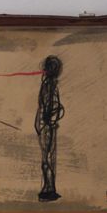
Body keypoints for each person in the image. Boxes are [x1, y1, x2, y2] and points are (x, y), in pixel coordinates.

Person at [34, 55, 65, 202]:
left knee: (48, 159)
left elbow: (50, 107)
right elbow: (44, 108)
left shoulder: (50, 86)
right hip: (46, 126)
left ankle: (49, 189)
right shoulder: (48, 86)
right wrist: (44, 123)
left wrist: (47, 122)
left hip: (47, 126)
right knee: (47, 158)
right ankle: (48, 189)